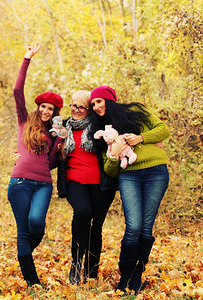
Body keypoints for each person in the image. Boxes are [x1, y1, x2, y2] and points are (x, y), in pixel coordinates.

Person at [90, 86, 169, 294]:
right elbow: (110, 170)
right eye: (93, 105)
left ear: (110, 100)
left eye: (99, 101)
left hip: (156, 173)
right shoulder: (104, 132)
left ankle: (137, 276)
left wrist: (141, 138)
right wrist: (115, 155)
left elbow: (164, 130)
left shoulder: (135, 112)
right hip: (129, 176)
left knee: (146, 228)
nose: (96, 107)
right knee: (133, 226)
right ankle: (124, 277)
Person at [8, 44, 65, 287]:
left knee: (36, 224)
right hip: (19, 182)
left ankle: (23, 255)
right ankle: (33, 281)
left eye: (50, 109)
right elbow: (17, 89)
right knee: (23, 230)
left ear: (54, 113)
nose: (45, 110)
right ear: (38, 107)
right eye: (42, 106)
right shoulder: (24, 121)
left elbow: (51, 163)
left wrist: (60, 140)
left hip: (43, 184)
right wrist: (26, 59)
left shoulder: (54, 133)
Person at [56, 90, 118, 285]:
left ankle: (91, 273)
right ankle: (76, 262)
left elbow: (122, 128)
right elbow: (44, 142)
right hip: (74, 179)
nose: (77, 110)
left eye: (82, 107)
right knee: (83, 212)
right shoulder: (62, 127)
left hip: (101, 183)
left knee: (96, 226)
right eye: (74, 105)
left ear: (89, 109)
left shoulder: (99, 126)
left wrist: (146, 138)